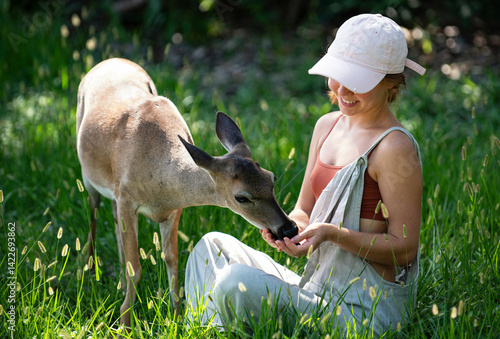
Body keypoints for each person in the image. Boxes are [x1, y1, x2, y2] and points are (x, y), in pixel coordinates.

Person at [184, 13, 425, 335]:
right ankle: (211, 331)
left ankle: (218, 328)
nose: (342, 90)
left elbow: (405, 248)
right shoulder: (326, 126)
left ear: (391, 82)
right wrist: (291, 232)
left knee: (235, 283)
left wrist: (332, 234)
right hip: (317, 289)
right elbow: (304, 210)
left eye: (358, 81)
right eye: (338, 76)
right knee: (211, 247)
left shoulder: (394, 147)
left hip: (364, 312)